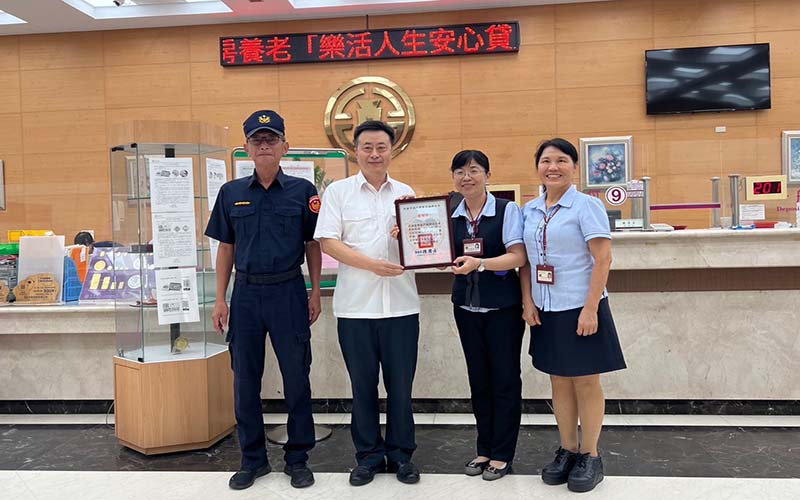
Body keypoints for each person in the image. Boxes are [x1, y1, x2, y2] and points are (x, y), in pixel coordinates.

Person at [204, 110, 322, 491]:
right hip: (246, 295)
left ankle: (298, 459)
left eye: (272, 139)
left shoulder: (303, 192)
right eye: (258, 140)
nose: (265, 145)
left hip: (289, 291)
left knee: (297, 378)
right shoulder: (231, 193)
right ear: (247, 148)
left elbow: (313, 244)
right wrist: (220, 299)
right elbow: (226, 248)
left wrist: (315, 291)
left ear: (285, 146)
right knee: (245, 382)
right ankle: (252, 460)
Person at [314, 120, 421, 487]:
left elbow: (422, 244)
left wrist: (407, 236)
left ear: (392, 150)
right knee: (362, 387)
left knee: (401, 388)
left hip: (402, 307)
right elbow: (328, 241)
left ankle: (402, 455)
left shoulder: (406, 193)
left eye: (381, 147)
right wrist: (371, 264)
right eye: (367, 147)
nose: (375, 154)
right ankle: (368, 457)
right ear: (355, 151)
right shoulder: (338, 192)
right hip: (356, 308)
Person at [520, 138, 626, 493]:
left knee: (585, 381)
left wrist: (591, 308)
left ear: (575, 167)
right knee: (559, 381)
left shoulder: (586, 206)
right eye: (546, 160)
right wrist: (528, 301)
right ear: (538, 167)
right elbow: (526, 261)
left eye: (561, 160)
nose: (553, 167)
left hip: (580, 307)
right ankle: (567, 449)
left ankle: (591, 455)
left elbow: (603, 258)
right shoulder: (530, 209)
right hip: (545, 308)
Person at [447, 150, 527, 481]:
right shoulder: (449, 213)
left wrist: (480, 263)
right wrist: (409, 239)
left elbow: (518, 256)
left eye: (474, 170)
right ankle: (484, 448)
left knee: (504, 380)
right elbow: (441, 255)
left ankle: (502, 454)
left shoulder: (507, 210)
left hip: (502, 310)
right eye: (460, 171)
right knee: (478, 380)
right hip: (466, 308)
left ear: (488, 175)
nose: (466, 177)